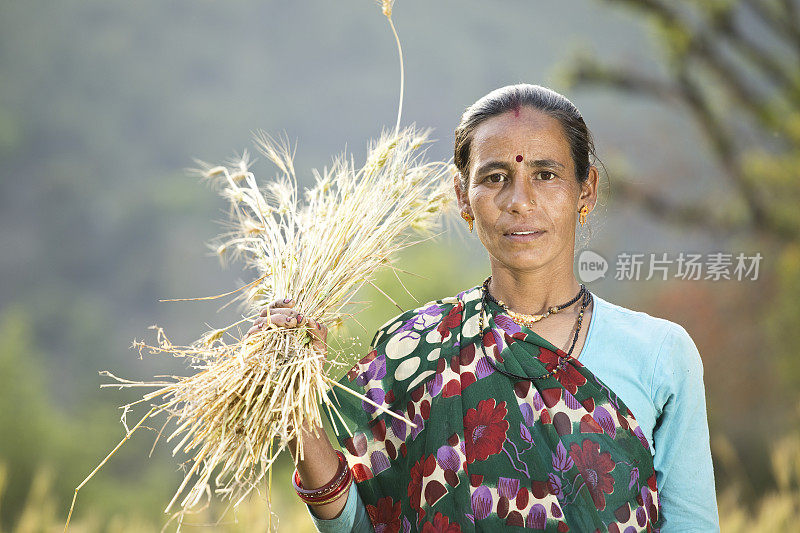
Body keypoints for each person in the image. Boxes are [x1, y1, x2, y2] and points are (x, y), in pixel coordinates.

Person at [249, 84, 720, 532]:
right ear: (463, 197)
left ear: (586, 191)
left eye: (546, 175)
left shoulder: (660, 354)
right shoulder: (414, 351)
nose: (519, 201)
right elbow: (359, 525)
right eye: (496, 178)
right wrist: (297, 405)